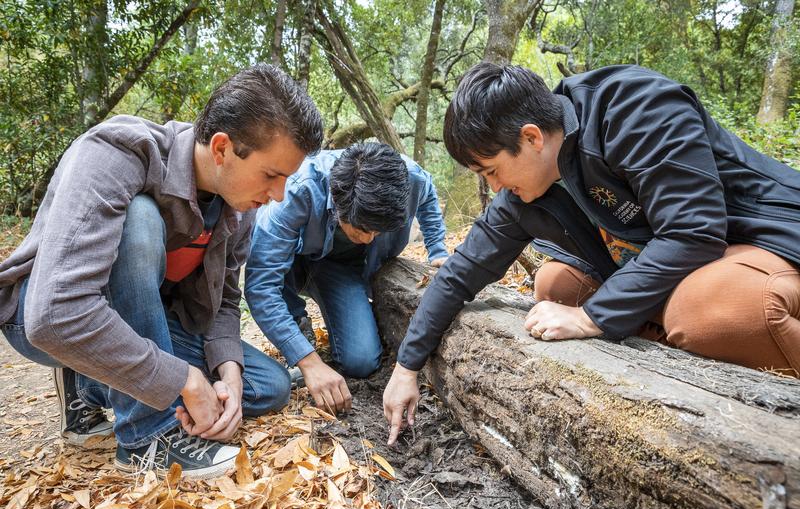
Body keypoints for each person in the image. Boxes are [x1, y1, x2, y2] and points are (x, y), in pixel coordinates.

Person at [382, 62, 800, 445]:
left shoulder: (633, 108)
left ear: (531, 138)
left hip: (762, 237)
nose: (494, 187)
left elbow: (693, 231)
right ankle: (679, 348)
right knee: (556, 284)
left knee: (711, 313)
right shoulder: (524, 193)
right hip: (683, 262)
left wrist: (590, 317)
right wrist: (406, 367)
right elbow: (460, 272)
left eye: (492, 171)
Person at [0, 64, 324, 478]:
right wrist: (183, 380)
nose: (278, 195)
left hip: (157, 322)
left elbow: (225, 299)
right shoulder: (117, 152)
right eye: (271, 175)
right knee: (140, 219)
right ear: (222, 149)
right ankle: (145, 437)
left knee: (270, 386)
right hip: (45, 315)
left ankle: (86, 384)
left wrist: (229, 373)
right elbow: (54, 316)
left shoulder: (241, 208)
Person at [245, 143, 448, 415]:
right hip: (293, 261)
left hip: (340, 267)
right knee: (271, 262)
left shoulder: (408, 178)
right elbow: (261, 285)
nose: (368, 238)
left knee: (361, 361)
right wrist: (308, 361)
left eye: (378, 232)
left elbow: (428, 192)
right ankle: (296, 324)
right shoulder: (298, 189)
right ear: (338, 202)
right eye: (362, 229)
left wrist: (437, 249)